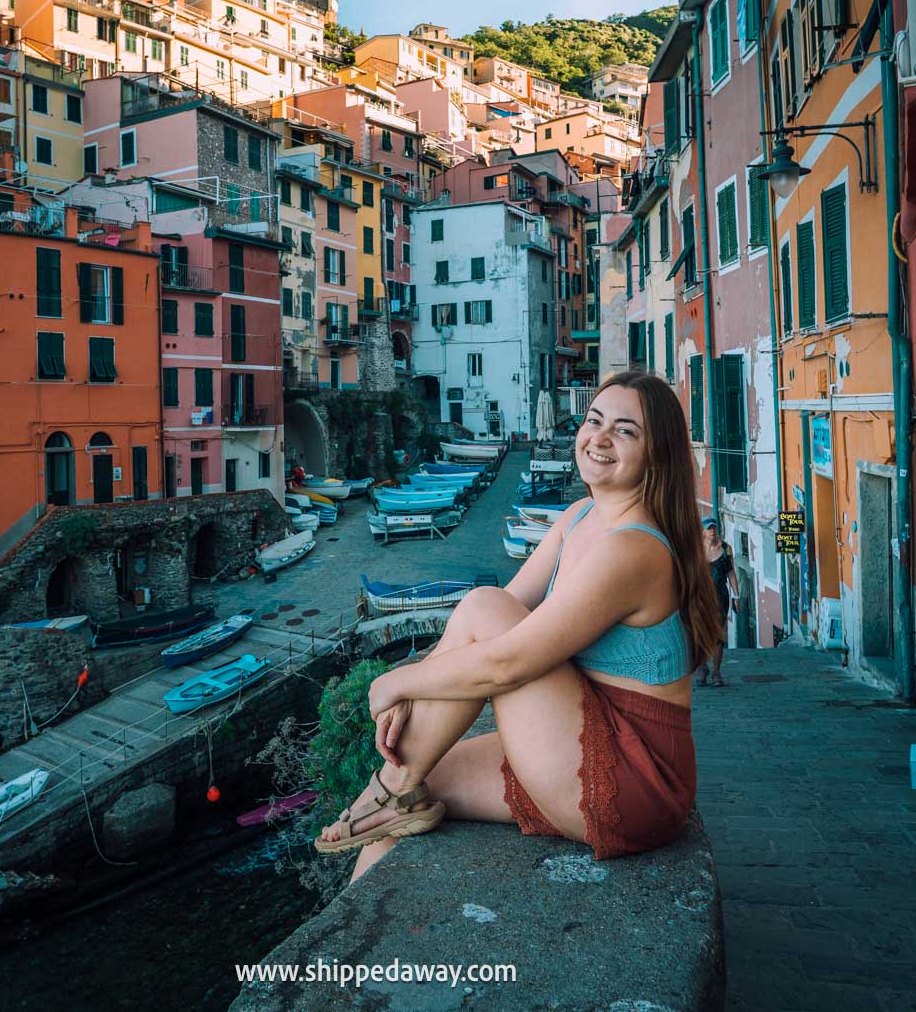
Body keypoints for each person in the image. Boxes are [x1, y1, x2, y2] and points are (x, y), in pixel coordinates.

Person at [314, 371, 723, 879]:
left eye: (625, 431)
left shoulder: (633, 549)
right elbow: (497, 612)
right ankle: (360, 934)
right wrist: (423, 681)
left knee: (484, 609)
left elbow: (506, 659)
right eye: (594, 420)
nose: (598, 438)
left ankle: (380, 792)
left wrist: (393, 681)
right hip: (574, 724)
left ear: (656, 453)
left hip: (634, 775)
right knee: (408, 803)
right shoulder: (578, 516)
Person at [697, 518, 739, 687]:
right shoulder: (696, 550)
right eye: (709, 529)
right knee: (700, 633)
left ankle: (716, 672)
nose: (712, 531)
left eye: (714, 528)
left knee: (718, 635)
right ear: (703, 532)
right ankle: (702, 667)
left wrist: (737, 596)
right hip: (699, 598)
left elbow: (731, 574)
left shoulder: (725, 548)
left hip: (720, 597)